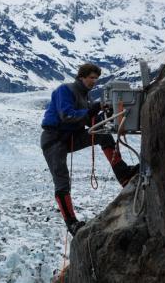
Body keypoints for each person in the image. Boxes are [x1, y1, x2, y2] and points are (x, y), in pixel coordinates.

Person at [40, 63, 139, 236]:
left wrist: (105, 114)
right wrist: (91, 111)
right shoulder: (66, 90)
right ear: (82, 77)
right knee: (62, 179)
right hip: (54, 139)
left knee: (102, 135)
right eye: (91, 77)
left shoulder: (86, 97)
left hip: (70, 137)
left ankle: (123, 174)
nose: (94, 81)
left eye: (96, 78)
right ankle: (71, 223)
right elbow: (67, 114)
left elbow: (91, 121)